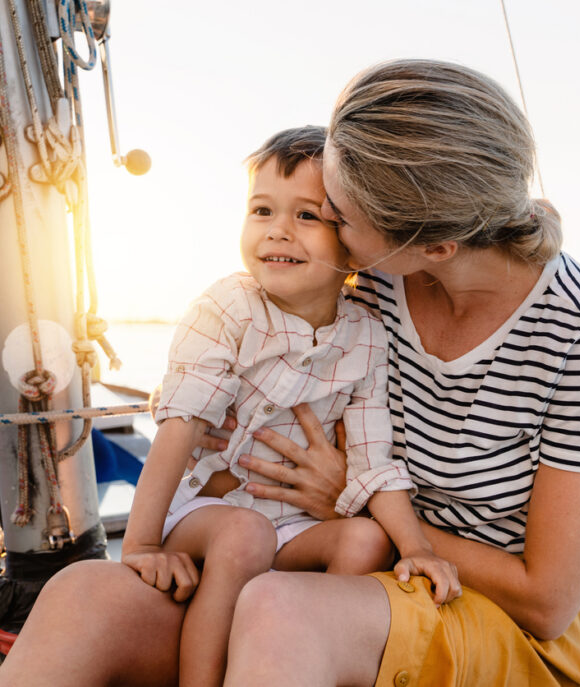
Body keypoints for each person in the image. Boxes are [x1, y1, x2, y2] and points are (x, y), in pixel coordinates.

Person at [0, 59, 580, 687]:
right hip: (319, 546)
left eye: (334, 211)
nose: (323, 222)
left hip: (484, 607)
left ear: (431, 248)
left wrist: (348, 494)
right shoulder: (371, 283)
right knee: (83, 594)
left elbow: (546, 602)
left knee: (281, 614)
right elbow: (264, 337)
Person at [123, 125, 459, 687]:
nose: (278, 230)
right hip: (204, 513)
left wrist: (419, 547)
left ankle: (294, 656)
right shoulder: (226, 308)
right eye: (261, 210)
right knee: (242, 536)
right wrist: (143, 544)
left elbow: (374, 460)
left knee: (366, 538)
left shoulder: (367, 335)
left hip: (294, 524)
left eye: (306, 216)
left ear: (352, 241)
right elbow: (180, 426)